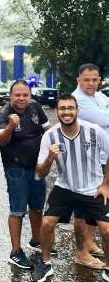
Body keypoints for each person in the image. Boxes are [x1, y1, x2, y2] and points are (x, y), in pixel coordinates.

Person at [31, 94, 109, 282]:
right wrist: (50, 158)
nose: (67, 112)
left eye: (70, 108)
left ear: (77, 110)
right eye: (62, 109)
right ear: (56, 112)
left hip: (92, 188)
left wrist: (105, 185)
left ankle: (108, 265)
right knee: (47, 223)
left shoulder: (95, 131)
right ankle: (45, 263)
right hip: (65, 186)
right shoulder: (50, 135)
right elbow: (40, 172)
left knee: (107, 230)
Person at [0, 79, 51, 269]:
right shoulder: (3, 113)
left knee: (37, 206)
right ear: (10, 96)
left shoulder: (35, 107)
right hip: (15, 168)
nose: (21, 98)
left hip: (36, 166)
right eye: (17, 95)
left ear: (30, 95)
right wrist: (11, 126)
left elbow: (48, 130)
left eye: (25, 94)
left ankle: (36, 240)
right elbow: (1, 140)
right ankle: (15, 252)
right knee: (18, 210)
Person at [70, 63, 109, 268]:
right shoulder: (78, 101)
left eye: (95, 79)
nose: (91, 83)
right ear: (79, 79)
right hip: (87, 161)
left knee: (98, 203)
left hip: (104, 159)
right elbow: (104, 118)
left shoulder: (100, 97)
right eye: (87, 79)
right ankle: (81, 252)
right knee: (83, 207)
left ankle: (90, 242)